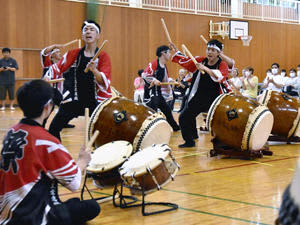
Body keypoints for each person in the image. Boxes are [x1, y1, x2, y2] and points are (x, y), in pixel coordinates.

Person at [0, 80, 100, 225]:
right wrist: (82, 160)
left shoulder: (11, 132)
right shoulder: (46, 141)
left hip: (6, 212)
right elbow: (74, 183)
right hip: (31, 216)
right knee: (91, 207)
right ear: (47, 108)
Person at [45, 20, 112, 140]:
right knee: (53, 128)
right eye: (86, 30)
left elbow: (104, 81)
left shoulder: (103, 56)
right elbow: (57, 67)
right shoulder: (74, 53)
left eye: (92, 29)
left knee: (102, 134)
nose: (88, 32)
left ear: (98, 35)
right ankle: (60, 156)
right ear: (82, 35)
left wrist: (94, 70)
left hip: (95, 102)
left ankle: (96, 157)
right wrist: (47, 77)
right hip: (74, 100)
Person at [170, 39, 229, 148]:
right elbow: (186, 60)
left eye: (213, 50)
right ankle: (190, 140)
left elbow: (220, 76)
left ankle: (224, 142)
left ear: (218, 53)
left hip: (215, 98)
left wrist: (205, 69)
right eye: (208, 49)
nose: (209, 52)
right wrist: (176, 51)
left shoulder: (222, 64)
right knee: (184, 117)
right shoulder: (201, 60)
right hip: (199, 96)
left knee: (219, 122)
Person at [142, 45, 180, 131]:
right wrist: (154, 80)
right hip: (151, 93)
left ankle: (175, 127)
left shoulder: (163, 65)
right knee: (153, 113)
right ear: (163, 53)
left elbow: (165, 79)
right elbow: (144, 75)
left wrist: (171, 81)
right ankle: (148, 130)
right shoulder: (154, 64)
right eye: (168, 52)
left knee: (167, 110)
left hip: (158, 93)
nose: (170, 54)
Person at [41, 44, 76, 129]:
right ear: (51, 55)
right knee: (48, 109)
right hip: (50, 91)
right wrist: (55, 46)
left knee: (70, 106)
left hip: (61, 91)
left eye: (60, 52)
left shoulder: (63, 65)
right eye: (57, 52)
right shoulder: (47, 63)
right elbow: (44, 52)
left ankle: (63, 122)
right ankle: (41, 125)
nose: (60, 54)